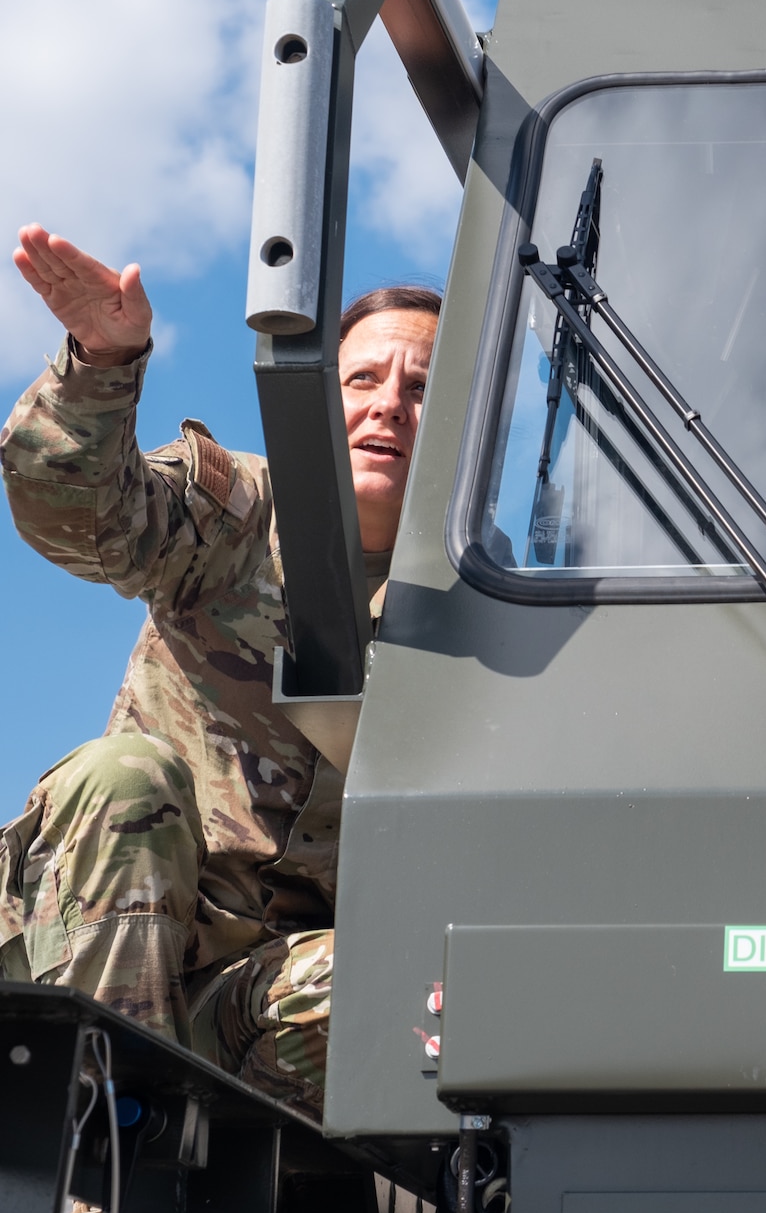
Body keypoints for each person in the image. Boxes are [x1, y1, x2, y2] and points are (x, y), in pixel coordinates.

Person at [0, 224, 438, 1120]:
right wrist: (103, 362)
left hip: (256, 1004)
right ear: (320, 400)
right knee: (125, 777)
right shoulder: (237, 507)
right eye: (362, 380)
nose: (389, 406)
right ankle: (92, 1143)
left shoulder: (484, 611)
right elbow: (79, 515)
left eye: (424, 389)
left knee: (426, 985)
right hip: (101, 935)